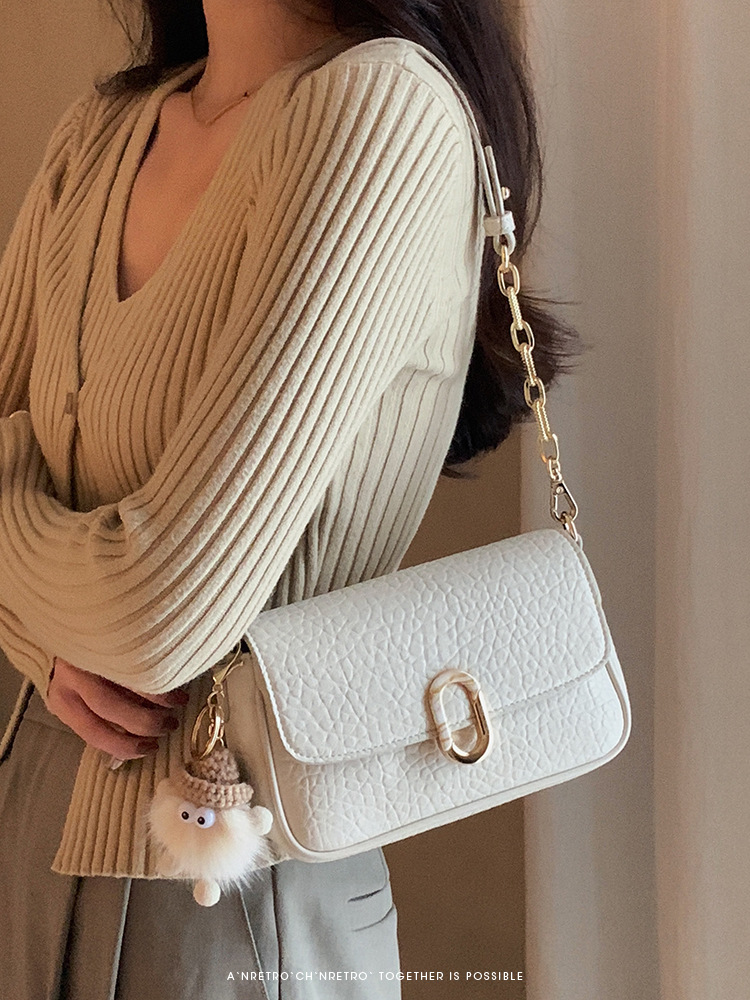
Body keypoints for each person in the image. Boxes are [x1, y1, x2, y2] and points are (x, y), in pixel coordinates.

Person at [0, 0, 579, 996]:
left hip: (236, 891)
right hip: (25, 823)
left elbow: (163, 614)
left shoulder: (380, 111)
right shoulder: (101, 132)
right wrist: (44, 637)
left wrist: (28, 588)